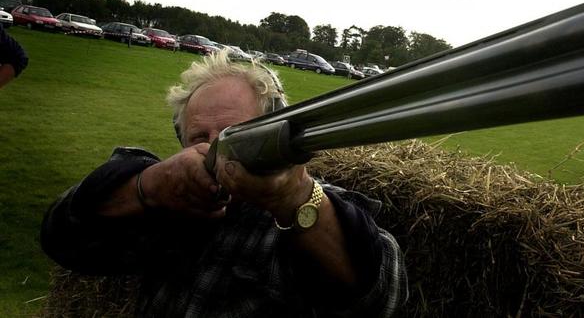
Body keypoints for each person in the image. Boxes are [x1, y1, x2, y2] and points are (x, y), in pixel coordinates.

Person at [41, 50, 408, 316]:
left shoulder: (301, 207)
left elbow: (381, 297)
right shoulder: (169, 199)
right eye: (200, 135)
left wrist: (294, 196)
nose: (215, 147)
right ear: (181, 139)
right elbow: (65, 237)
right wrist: (150, 186)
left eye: (235, 134)